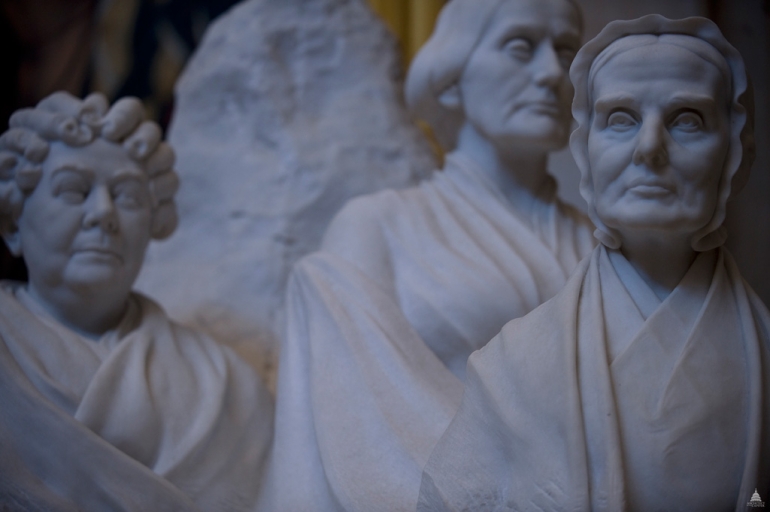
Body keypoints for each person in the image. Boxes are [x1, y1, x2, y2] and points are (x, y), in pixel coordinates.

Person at [417, 15, 767, 512]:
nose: (650, 148)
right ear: (586, 154)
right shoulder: (514, 367)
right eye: (620, 119)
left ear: (735, 156)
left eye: (687, 119)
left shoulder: (764, 354)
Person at [260, 0, 594, 510]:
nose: (551, 72)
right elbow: (334, 423)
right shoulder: (379, 226)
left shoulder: (597, 242)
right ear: (452, 76)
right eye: (520, 47)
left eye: (566, 51)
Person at [0, 92, 273, 511]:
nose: (103, 214)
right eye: (73, 190)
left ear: (154, 222)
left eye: (126, 196)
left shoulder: (226, 387)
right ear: (14, 224)